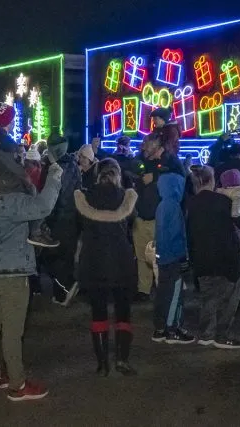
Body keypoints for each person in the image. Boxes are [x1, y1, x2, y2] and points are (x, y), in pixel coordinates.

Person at [0, 149, 63, 402]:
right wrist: (55, 175)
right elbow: (43, 206)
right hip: (13, 271)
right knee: (13, 330)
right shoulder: (10, 202)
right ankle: (18, 383)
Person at [74, 158, 139, 376]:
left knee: (98, 311)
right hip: (121, 260)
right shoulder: (125, 197)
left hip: (94, 260)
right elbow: (132, 223)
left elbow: (79, 226)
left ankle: (102, 363)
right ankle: (122, 360)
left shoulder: (86, 197)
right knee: (123, 311)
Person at [187, 166, 240, 349]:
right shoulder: (223, 201)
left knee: (208, 296)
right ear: (211, 180)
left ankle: (206, 333)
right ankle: (222, 334)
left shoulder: (191, 204)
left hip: (202, 256)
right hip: (226, 255)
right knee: (229, 297)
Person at [151, 172, 195, 344]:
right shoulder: (174, 206)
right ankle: (172, 329)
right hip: (173, 257)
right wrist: (183, 257)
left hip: (163, 257)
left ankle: (161, 328)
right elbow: (176, 235)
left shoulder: (161, 205)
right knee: (175, 293)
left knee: (163, 292)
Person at [43, 133, 83, 303]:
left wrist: (48, 216)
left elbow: (54, 194)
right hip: (72, 216)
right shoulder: (73, 165)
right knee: (66, 255)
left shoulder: (55, 167)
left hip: (58, 216)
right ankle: (66, 287)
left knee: (56, 256)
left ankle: (62, 292)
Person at [131, 134, 164, 301]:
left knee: (160, 257)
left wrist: (155, 177)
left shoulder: (165, 164)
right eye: (145, 143)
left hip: (158, 217)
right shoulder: (138, 161)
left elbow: (177, 175)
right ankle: (143, 289)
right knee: (142, 256)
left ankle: (161, 288)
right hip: (141, 217)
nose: (145, 146)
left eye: (148, 143)